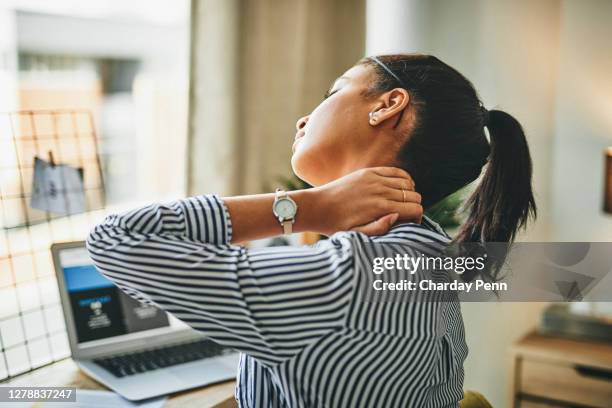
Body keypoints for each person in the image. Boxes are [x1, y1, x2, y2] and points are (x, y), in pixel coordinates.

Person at [87, 54, 536, 407]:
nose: (304, 119)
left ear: (387, 105)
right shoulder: (430, 252)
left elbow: (115, 240)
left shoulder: (348, 276)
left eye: (333, 92)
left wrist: (309, 206)